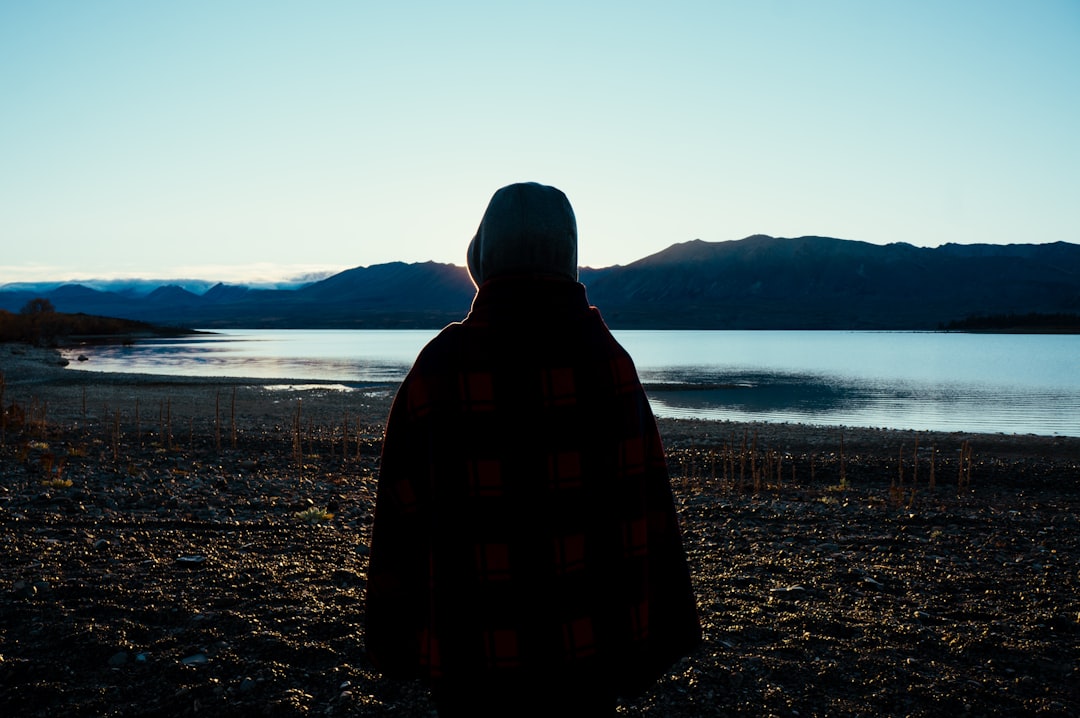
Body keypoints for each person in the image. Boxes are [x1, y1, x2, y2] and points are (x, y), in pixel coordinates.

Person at [364, 182, 700, 716]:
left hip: (470, 655)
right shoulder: (609, 362)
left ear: (486, 259)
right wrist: (654, 635)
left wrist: (392, 634)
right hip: (587, 657)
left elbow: (401, 514)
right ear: (568, 257)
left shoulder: (441, 365)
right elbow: (644, 505)